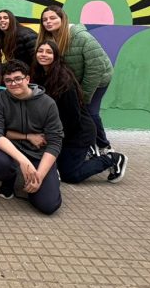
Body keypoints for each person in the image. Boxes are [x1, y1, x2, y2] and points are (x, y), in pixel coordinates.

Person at [31, 41, 127, 183]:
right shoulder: (39, 74)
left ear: (56, 56)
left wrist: (54, 137)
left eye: (49, 52)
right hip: (61, 131)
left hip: (78, 132)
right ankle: (86, 152)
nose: (43, 55)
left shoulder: (64, 80)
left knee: (69, 175)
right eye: (40, 51)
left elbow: (72, 117)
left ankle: (112, 159)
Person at [0, 60, 63, 215]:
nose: (13, 83)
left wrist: (39, 176)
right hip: (12, 150)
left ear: (27, 79)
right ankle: (9, 181)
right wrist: (22, 160)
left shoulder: (48, 103)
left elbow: (55, 141)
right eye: (8, 80)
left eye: (18, 78)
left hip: (37, 153)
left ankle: (40, 178)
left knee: (48, 206)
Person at [37, 5, 114, 154]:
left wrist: (83, 95)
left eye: (53, 18)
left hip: (98, 79)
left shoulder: (81, 37)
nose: (48, 22)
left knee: (89, 112)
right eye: (45, 19)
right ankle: (88, 145)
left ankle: (105, 147)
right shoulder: (49, 38)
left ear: (63, 19)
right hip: (76, 81)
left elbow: (96, 68)